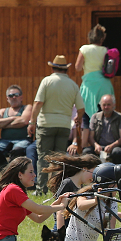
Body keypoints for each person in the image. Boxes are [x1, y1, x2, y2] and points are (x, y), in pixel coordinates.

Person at [28, 55, 84, 194]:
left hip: (46, 124)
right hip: (64, 125)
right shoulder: (73, 84)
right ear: (66, 69)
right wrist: (78, 118)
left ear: (53, 67)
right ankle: (56, 188)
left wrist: (32, 122)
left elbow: (38, 103)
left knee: (43, 157)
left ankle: (41, 189)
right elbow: (81, 108)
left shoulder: (47, 81)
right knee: (59, 159)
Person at [75, 24, 115, 149]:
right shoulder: (105, 50)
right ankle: (102, 145)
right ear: (102, 38)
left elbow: (77, 67)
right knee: (103, 114)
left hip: (89, 84)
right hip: (104, 84)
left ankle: (85, 146)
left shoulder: (84, 49)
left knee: (86, 115)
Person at [42, 152, 101, 231]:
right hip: (63, 226)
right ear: (84, 169)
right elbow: (59, 209)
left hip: (73, 226)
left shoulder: (82, 187)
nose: (94, 178)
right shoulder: (67, 183)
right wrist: (61, 232)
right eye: (93, 173)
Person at [0, 84, 37, 176]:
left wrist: (3, 123)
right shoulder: (3, 111)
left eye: (16, 95)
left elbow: (23, 121)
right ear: (7, 98)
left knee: (16, 152)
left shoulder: (27, 107)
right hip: (4, 141)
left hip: (23, 140)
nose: (14, 97)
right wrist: (13, 119)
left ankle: (10, 175)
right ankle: (5, 173)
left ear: (21, 97)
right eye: (11, 96)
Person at [84, 94, 121, 164]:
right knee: (86, 151)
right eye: (104, 105)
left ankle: (118, 173)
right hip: (99, 146)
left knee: (117, 152)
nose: (106, 107)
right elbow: (91, 137)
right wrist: (96, 145)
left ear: (113, 105)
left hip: (114, 146)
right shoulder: (95, 117)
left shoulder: (120, 117)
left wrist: (111, 146)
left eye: (108, 105)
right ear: (100, 105)